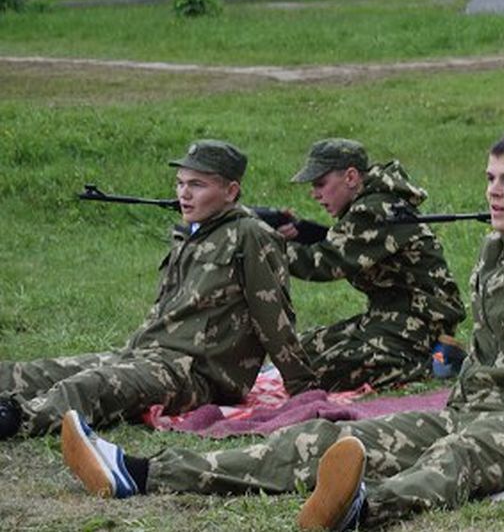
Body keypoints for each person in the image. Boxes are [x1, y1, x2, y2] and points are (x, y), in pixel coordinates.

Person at [60, 128, 504, 529]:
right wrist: (457, 400)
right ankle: (140, 472)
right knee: (324, 437)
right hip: (470, 405)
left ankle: (358, 509)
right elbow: (487, 348)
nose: (493, 192)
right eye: (489, 178)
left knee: (458, 462)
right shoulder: (500, 245)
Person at [0, 140, 318, 440]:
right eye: (180, 183)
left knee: (90, 386)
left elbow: (273, 318)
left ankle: (16, 419)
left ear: (231, 190)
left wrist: (303, 388)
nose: (184, 194)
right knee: (34, 372)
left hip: (197, 374)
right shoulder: (193, 233)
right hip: (148, 355)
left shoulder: (251, 236)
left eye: (197, 185)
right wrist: (131, 354)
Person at [281, 138, 466, 390]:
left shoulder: (376, 208)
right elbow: (339, 241)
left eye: (321, 184)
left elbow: (324, 263)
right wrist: (298, 235)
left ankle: (428, 362)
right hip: (387, 314)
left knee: (316, 373)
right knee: (298, 353)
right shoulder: (370, 203)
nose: (315, 194)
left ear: (350, 177)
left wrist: (269, 248)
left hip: (419, 321)